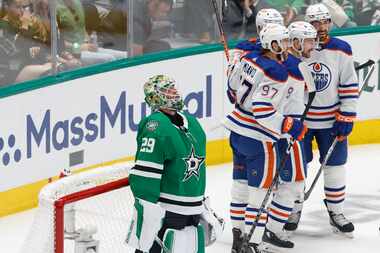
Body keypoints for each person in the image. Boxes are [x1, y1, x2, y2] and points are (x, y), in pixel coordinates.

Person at [223, 23, 308, 253]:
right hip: (258, 139)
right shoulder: (277, 71)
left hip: (236, 131)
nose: (288, 46)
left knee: (240, 187)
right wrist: (289, 125)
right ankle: (252, 244)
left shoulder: (249, 58)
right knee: (260, 194)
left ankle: (238, 236)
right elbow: (262, 110)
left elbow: (231, 88)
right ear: (272, 44)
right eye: (284, 41)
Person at [126, 75, 222, 252]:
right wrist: (148, 213)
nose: (174, 93)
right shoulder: (155, 126)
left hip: (193, 208)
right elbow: (146, 174)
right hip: (167, 210)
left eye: (173, 88)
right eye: (167, 90)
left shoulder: (191, 122)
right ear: (155, 97)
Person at [287, 3, 358, 237]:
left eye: (325, 21)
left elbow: (348, 84)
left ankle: (336, 211)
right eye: (315, 23)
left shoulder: (342, 49)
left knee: (335, 167)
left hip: (331, 121)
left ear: (330, 22)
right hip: (302, 123)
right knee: (297, 169)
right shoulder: (297, 49)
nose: (321, 27)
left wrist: (347, 115)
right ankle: (292, 209)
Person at [263, 21, 318, 250]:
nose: (312, 45)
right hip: (285, 132)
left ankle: (266, 227)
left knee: (286, 183)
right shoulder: (292, 66)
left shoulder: (284, 63)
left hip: (283, 129)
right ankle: (272, 230)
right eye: (307, 41)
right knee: (293, 184)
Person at [227, 8, 284, 103]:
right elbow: (233, 86)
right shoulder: (245, 48)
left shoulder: (287, 49)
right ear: (259, 28)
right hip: (256, 110)